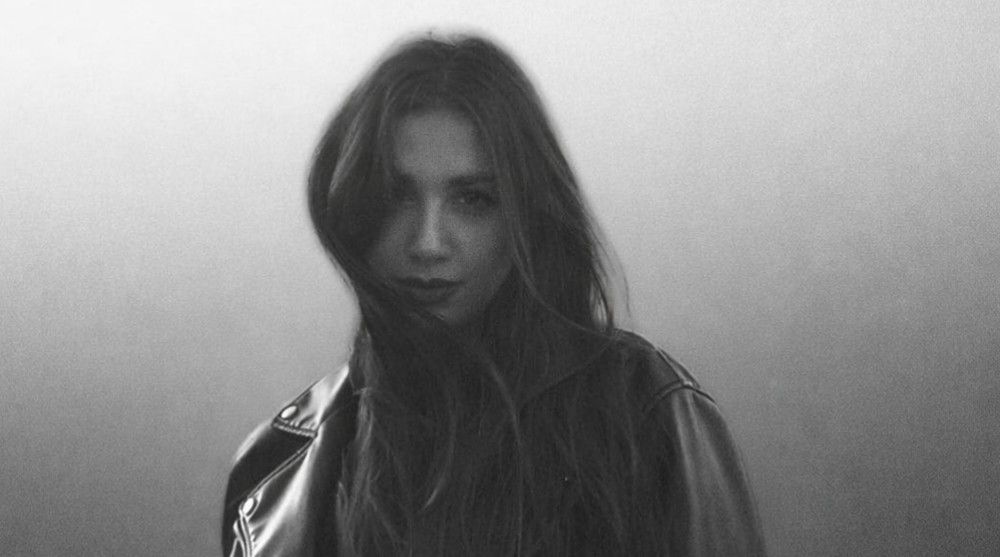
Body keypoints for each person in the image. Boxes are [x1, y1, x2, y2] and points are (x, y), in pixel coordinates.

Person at [222, 32, 766, 557]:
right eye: (396, 197)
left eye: (473, 200)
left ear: (526, 216)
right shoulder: (277, 466)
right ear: (353, 209)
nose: (428, 243)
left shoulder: (647, 415)